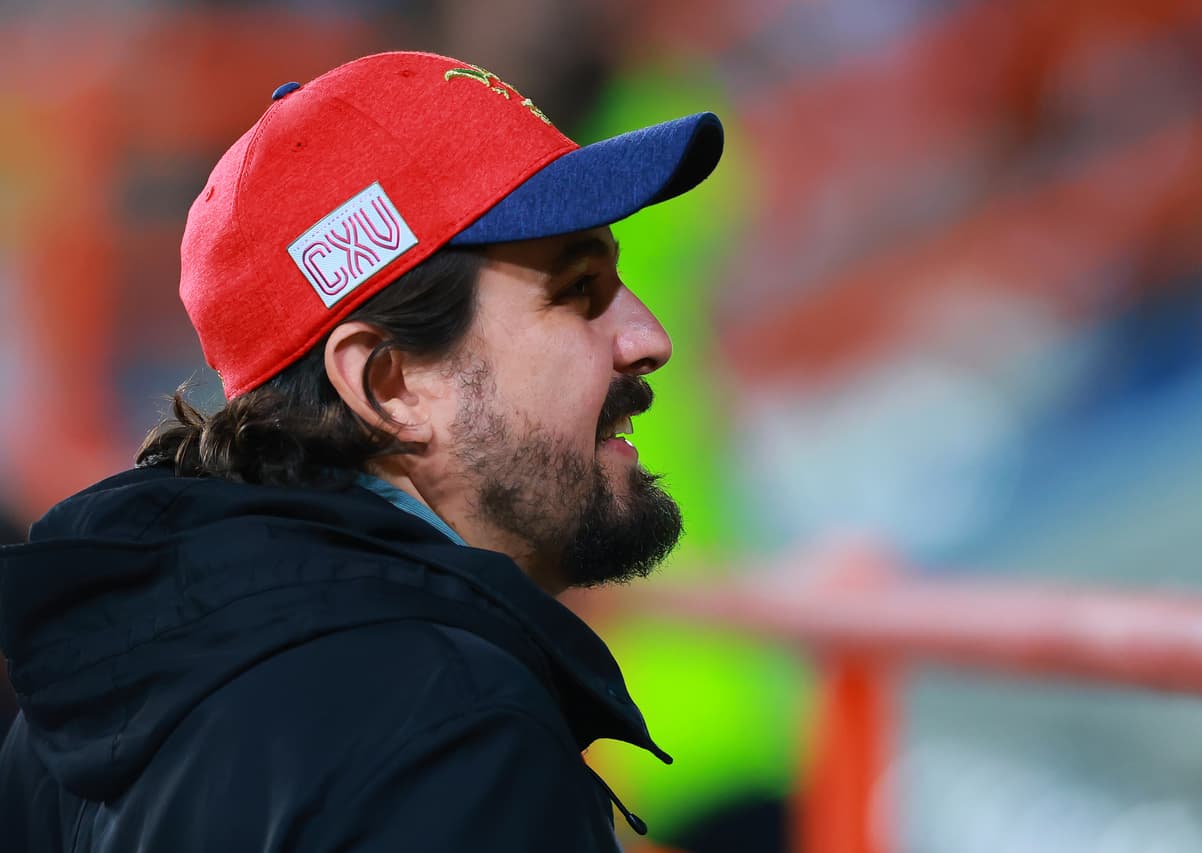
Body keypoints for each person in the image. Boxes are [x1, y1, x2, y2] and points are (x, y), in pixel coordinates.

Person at [0, 50, 723, 852]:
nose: (647, 338)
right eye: (576, 290)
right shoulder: (458, 735)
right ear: (389, 382)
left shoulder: (79, 715)